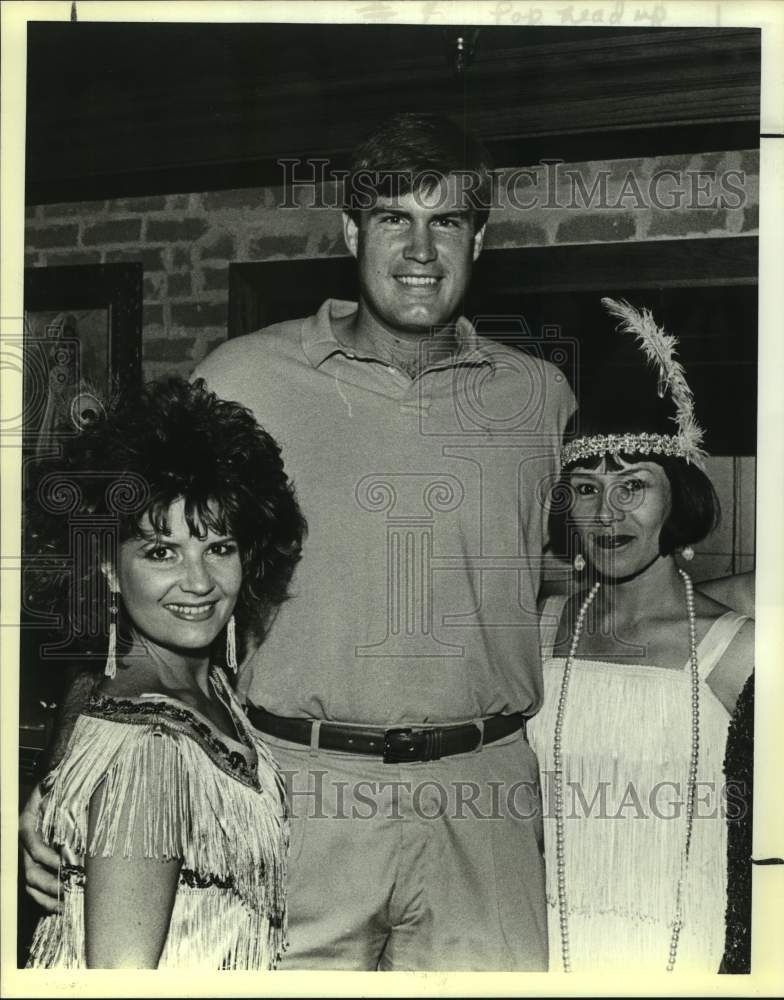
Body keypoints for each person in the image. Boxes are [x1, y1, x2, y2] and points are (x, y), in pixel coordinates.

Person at [22, 113, 574, 970]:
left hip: (484, 796)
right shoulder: (243, 377)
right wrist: (69, 767)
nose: (421, 249)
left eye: (448, 221)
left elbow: (607, 567)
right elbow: (142, 575)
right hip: (302, 788)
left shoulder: (542, 397)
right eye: (394, 218)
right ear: (353, 231)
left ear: (482, 237)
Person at [22, 377, 305, 968]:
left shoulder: (206, 691)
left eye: (219, 548)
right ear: (107, 567)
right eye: (161, 552)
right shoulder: (151, 752)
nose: (199, 583)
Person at [529, 298, 754, 972]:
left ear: (676, 498)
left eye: (635, 486)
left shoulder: (734, 649)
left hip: (682, 950)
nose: (608, 512)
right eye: (587, 488)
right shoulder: (540, 626)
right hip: (552, 940)